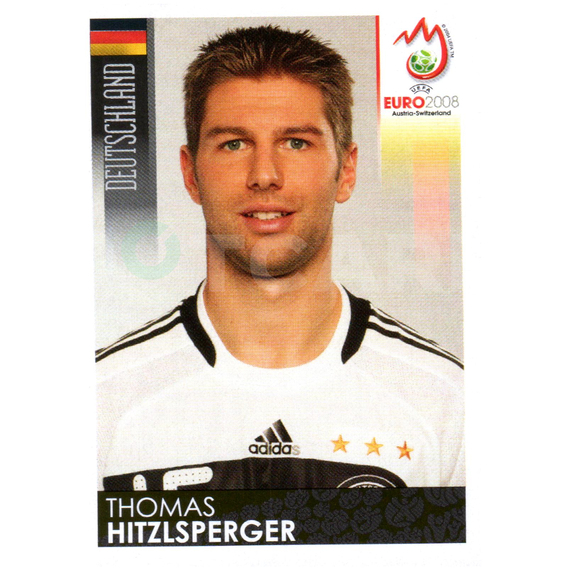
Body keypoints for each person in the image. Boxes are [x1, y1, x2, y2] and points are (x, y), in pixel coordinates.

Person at [96, 25, 464, 491]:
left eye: (296, 142)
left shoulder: (446, 401)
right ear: (190, 174)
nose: (265, 175)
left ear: (346, 171)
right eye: (234, 143)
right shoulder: (102, 399)